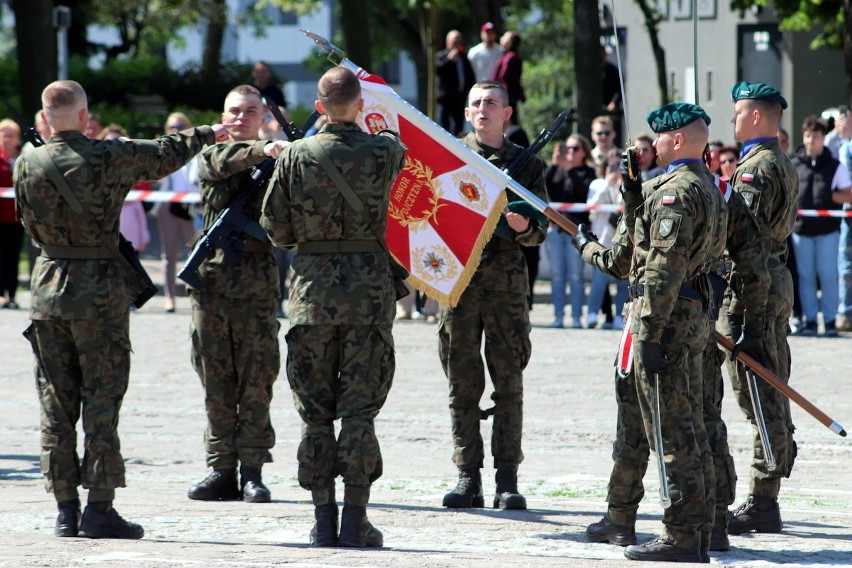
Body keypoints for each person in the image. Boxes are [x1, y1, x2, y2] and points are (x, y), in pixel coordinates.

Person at [13, 79, 228, 539]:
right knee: (102, 403)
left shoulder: (26, 162)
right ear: (86, 115)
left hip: (48, 290)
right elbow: (166, 153)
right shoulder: (106, 156)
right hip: (100, 295)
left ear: (46, 117)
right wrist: (210, 131)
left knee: (55, 405)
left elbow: (27, 224)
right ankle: (100, 507)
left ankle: (65, 510)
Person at [261, 66, 406, 547]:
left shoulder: (296, 156)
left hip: (313, 296)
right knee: (360, 410)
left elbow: (276, 228)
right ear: (360, 105)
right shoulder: (384, 151)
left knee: (315, 411)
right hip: (368, 296)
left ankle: (323, 519)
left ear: (319, 106)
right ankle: (355, 518)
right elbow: (399, 150)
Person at [581, 102, 726, 563]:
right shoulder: (706, 186)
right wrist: (632, 195)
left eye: (659, 138)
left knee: (671, 431)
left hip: (667, 318)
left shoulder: (675, 193)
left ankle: (682, 534)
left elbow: (661, 269)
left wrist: (648, 334)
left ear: (677, 140)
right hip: (693, 315)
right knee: (692, 428)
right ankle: (700, 528)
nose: (653, 145)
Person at [438, 80, 547, 513]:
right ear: (467, 113)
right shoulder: (448, 156)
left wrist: (525, 229)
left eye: (493, 103)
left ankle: (507, 479)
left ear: (507, 113)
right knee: (461, 385)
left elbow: (540, 228)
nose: (484, 109)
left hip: (505, 287)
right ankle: (467, 475)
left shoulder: (527, 164)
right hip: (458, 284)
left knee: (509, 384)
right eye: (477, 103)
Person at [186, 85, 289, 505]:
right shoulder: (214, 155)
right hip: (212, 285)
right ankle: (220, 468)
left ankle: (252, 470)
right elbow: (225, 160)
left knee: (257, 376)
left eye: (251, 111)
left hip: (257, 281)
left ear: (264, 116)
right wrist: (265, 149)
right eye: (234, 111)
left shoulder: (278, 161)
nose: (241, 118)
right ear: (222, 115)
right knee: (215, 377)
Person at [723, 81, 799, 536]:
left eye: (737, 113)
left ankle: (763, 499)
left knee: (760, 392)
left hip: (755, 290)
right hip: (772, 282)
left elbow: (745, 241)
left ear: (755, 116)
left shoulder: (756, 169)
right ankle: (765, 491)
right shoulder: (778, 161)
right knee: (766, 389)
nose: (732, 120)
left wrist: (747, 317)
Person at [790, 115, 852, 336]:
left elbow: (849, 194)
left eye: (815, 136)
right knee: (805, 276)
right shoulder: (793, 164)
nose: (811, 141)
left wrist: (832, 195)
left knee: (828, 275)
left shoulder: (835, 166)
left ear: (823, 138)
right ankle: (809, 321)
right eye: (807, 136)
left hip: (827, 231)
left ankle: (830, 320)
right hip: (800, 231)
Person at [545, 133, 596, 328]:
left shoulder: (588, 172)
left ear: (584, 152)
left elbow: (581, 194)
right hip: (555, 231)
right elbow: (545, 187)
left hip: (577, 231)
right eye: (568, 148)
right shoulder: (557, 170)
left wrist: (569, 170)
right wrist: (554, 164)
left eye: (575, 148)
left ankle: (576, 317)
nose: (571, 152)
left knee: (576, 276)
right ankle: (558, 316)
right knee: (557, 276)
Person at [155, 113, 200, 313]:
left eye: (180, 126)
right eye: (172, 127)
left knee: (196, 253)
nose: (176, 130)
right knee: (169, 254)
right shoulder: (161, 151)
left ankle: (195, 295)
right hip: (169, 205)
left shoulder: (197, 150)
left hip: (191, 206)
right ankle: (169, 297)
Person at [584, 149, 628, 329]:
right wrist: (607, 184)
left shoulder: (626, 184)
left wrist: (621, 184)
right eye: (611, 165)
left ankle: (620, 315)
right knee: (599, 278)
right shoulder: (597, 183)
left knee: (623, 279)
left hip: (621, 239)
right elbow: (592, 206)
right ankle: (592, 314)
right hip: (602, 238)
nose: (614, 168)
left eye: (618, 165)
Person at [0, 118, 22, 310]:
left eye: (11, 135)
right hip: (0, 216)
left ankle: (12, 294)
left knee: (13, 257)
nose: (7, 139)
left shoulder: (23, 157)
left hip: (16, 217)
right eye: (4, 135)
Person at [436, 30, 476, 136]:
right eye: (454, 42)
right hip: (444, 100)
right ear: (447, 43)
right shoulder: (441, 56)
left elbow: (470, 77)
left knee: (458, 129)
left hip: (459, 99)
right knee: (442, 128)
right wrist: (449, 61)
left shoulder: (464, 57)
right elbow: (439, 71)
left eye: (459, 42)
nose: (457, 45)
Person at [490, 31, 526, 125]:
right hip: (502, 95)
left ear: (510, 42)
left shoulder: (512, 57)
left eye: (505, 37)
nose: (501, 38)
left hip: (508, 96)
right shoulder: (504, 55)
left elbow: (509, 78)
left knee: (510, 121)